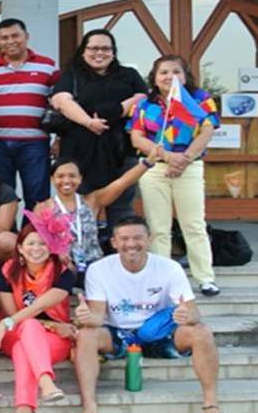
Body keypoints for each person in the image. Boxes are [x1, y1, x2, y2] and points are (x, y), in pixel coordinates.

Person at [67, 215, 235, 413]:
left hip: (158, 335)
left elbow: (193, 311)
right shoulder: (99, 269)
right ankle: (89, 408)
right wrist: (88, 318)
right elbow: (99, 316)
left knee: (201, 331)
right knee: (87, 335)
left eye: (138, 238)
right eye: (124, 239)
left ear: (149, 239)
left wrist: (188, 316)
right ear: (114, 242)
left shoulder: (169, 267)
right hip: (118, 333)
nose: (131, 244)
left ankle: (211, 405)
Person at [129, 55, 221, 296]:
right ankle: (163, 280)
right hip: (154, 169)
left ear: (185, 75)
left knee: (194, 225)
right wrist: (169, 158)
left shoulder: (199, 99)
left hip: (189, 168)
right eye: (164, 72)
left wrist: (184, 160)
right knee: (158, 227)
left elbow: (207, 129)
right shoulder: (144, 105)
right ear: (155, 77)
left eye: (176, 72)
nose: (170, 77)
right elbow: (137, 137)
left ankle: (205, 278)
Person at [47, 29, 148, 230]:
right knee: (80, 209)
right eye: (93, 48)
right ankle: (82, 256)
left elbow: (143, 98)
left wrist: (116, 111)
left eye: (105, 48)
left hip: (120, 151)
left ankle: (121, 257)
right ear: (83, 51)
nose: (99, 53)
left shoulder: (129, 75)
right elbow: (60, 101)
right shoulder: (72, 75)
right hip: (79, 154)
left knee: (122, 209)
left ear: (113, 52)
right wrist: (88, 122)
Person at [0, 213, 76, 413]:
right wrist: (9, 324)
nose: (37, 248)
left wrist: (6, 323)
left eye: (43, 243)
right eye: (31, 243)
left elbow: (37, 308)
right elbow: (14, 315)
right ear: (20, 248)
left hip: (54, 340)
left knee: (23, 347)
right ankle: (46, 383)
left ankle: (25, 409)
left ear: (51, 246)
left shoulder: (64, 272)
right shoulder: (8, 271)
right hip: (14, 332)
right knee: (27, 326)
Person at [0, 17, 59, 207]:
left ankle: (34, 236)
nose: (10, 41)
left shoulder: (48, 65)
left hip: (35, 143)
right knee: (1, 196)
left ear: (26, 36)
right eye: (4, 38)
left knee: (38, 197)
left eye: (15, 36)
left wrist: (59, 139)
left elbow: (61, 103)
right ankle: (6, 235)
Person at [34, 155, 155, 285]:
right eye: (60, 176)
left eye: (72, 176)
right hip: (62, 266)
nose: (66, 180)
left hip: (94, 265)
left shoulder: (92, 201)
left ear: (80, 178)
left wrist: (148, 162)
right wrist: (58, 254)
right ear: (52, 179)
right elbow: (40, 240)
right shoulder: (42, 208)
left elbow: (123, 182)